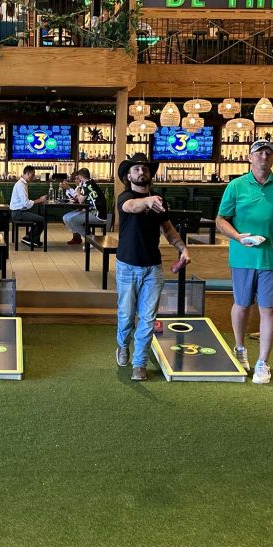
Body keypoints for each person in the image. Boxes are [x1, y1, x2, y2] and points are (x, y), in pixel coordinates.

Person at [215, 138, 273, 384]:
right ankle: (239, 348)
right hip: (242, 257)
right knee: (242, 305)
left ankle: (263, 362)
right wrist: (237, 236)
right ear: (249, 157)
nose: (264, 156)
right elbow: (221, 219)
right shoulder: (236, 186)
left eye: (268, 152)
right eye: (259, 152)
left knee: (268, 309)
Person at [115, 153, 190, 382]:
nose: (141, 172)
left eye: (144, 169)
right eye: (136, 169)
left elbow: (167, 229)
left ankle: (139, 363)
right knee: (127, 316)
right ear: (129, 175)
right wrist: (147, 201)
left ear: (150, 174)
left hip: (153, 269)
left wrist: (182, 248)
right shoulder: (124, 197)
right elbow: (132, 207)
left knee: (147, 318)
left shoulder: (159, 201)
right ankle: (122, 345)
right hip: (127, 266)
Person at [62, 168, 107, 245]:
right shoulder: (90, 183)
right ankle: (79, 238)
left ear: (81, 177)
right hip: (93, 210)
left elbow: (80, 200)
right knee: (66, 217)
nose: (78, 180)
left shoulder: (86, 185)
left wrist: (79, 188)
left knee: (73, 220)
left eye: (78, 178)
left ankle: (92, 240)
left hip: (97, 214)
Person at [10, 165, 48, 248]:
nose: (33, 177)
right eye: (33, 175)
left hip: (20, 211)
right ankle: (30, 239)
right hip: (18, 213)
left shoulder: (23, 184)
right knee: (42, 220)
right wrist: (40, 200)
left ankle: (30, 238)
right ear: (27, 173)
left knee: (38, 218)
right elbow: (26, 203)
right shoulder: (21, 185)